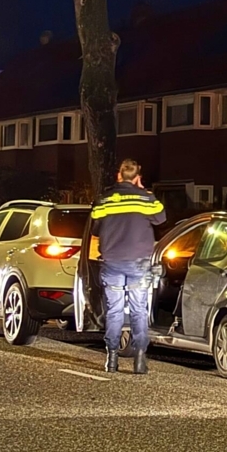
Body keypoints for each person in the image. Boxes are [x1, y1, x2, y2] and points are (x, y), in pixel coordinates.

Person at [90, 159, 167, 375]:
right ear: (137, 178)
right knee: (138, 309)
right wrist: (144, 192)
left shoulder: (105, 199)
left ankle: (111, 358)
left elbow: (95, 229)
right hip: (138, 263)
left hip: (112, 261)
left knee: (114, 310)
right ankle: (140, 358)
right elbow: (161, 218)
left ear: (118, 176)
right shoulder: (145, 199)